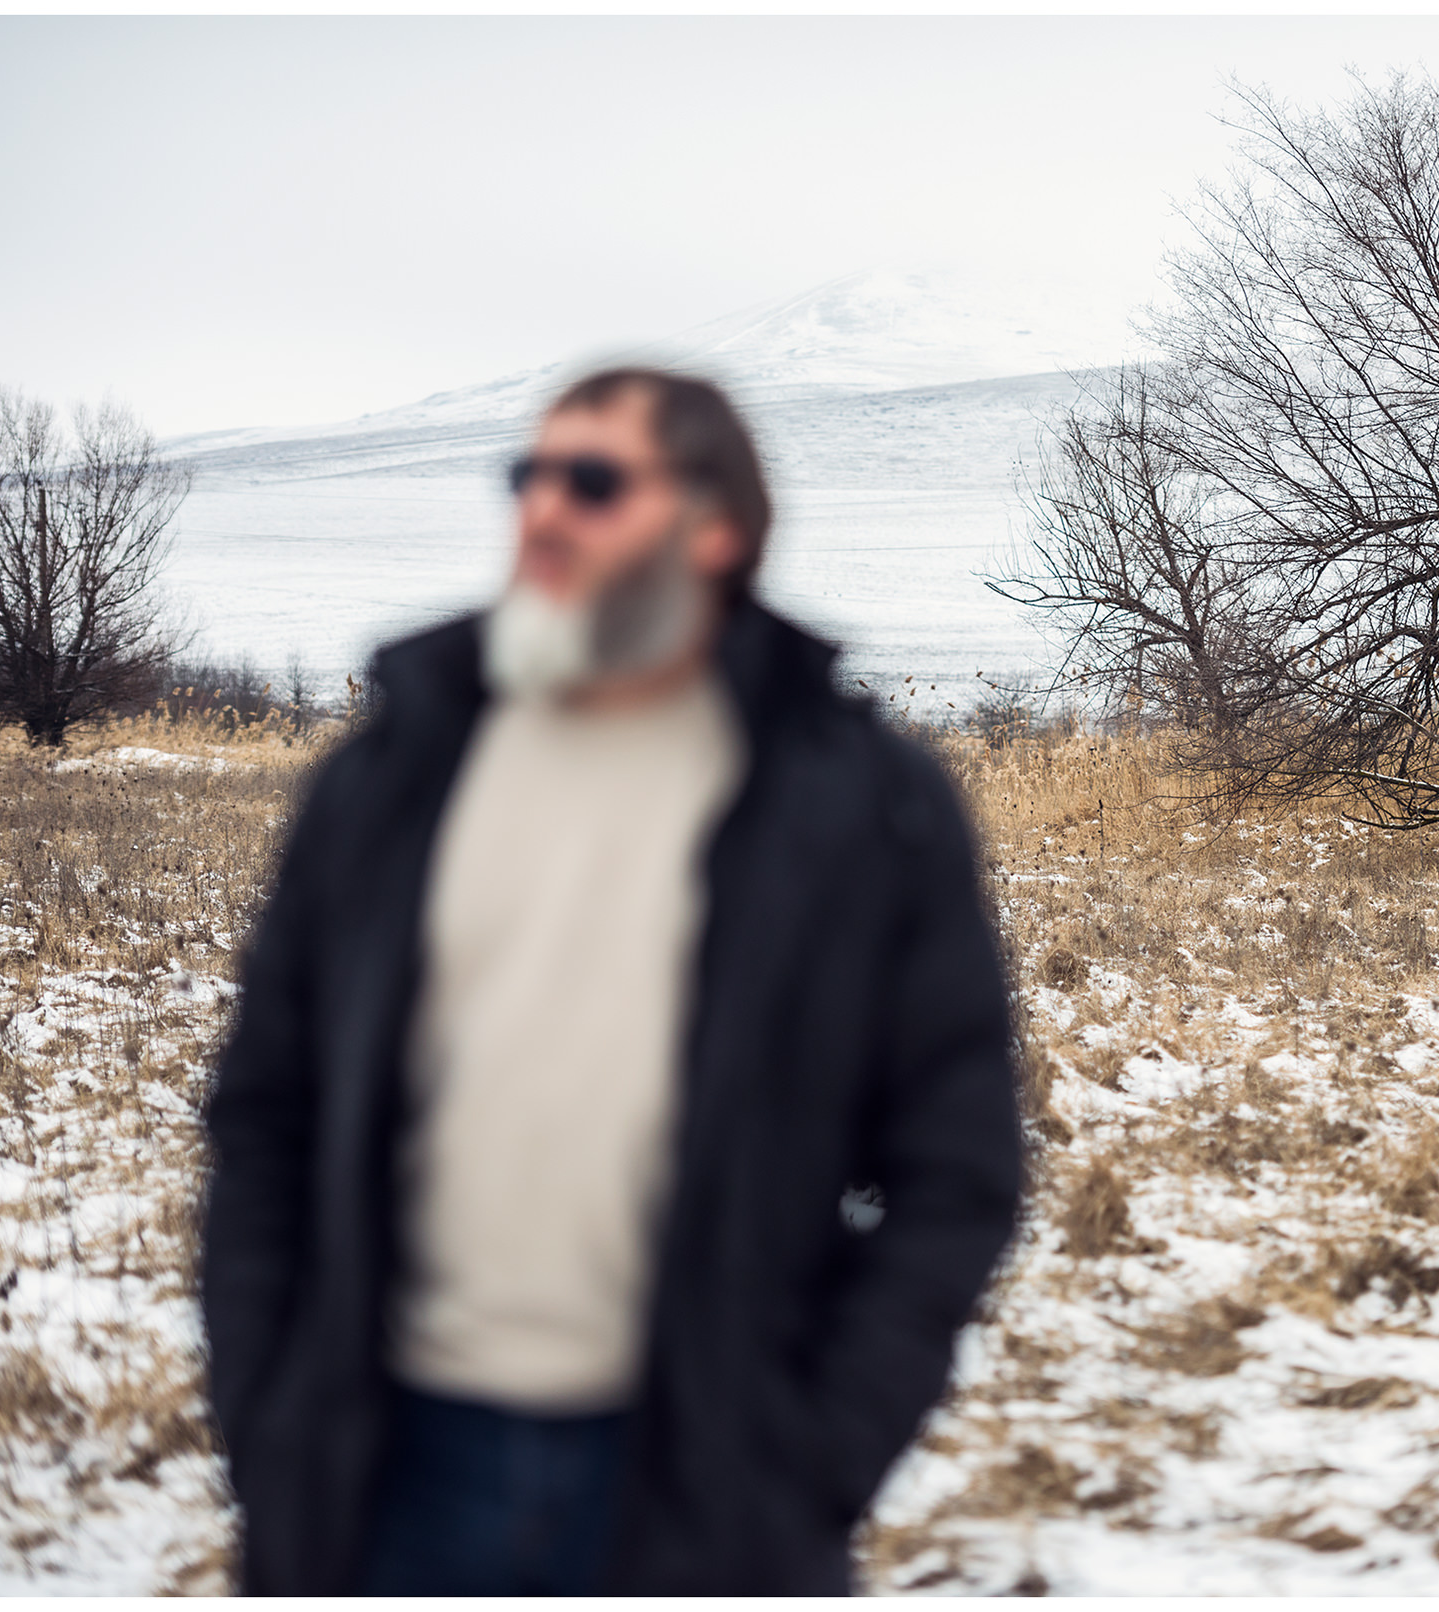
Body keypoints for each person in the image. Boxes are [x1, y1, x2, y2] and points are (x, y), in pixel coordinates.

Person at [200, 367, 1023, 1595]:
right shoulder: (393, 775)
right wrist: (270, 1422)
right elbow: (265, 1117)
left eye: (592, 482)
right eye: (526, 475)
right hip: (385, 1474)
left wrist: (814, 1456)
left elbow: (957, 1167)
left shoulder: (861, 804)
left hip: (699, 1482)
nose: (541, 511)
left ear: (718, 525)